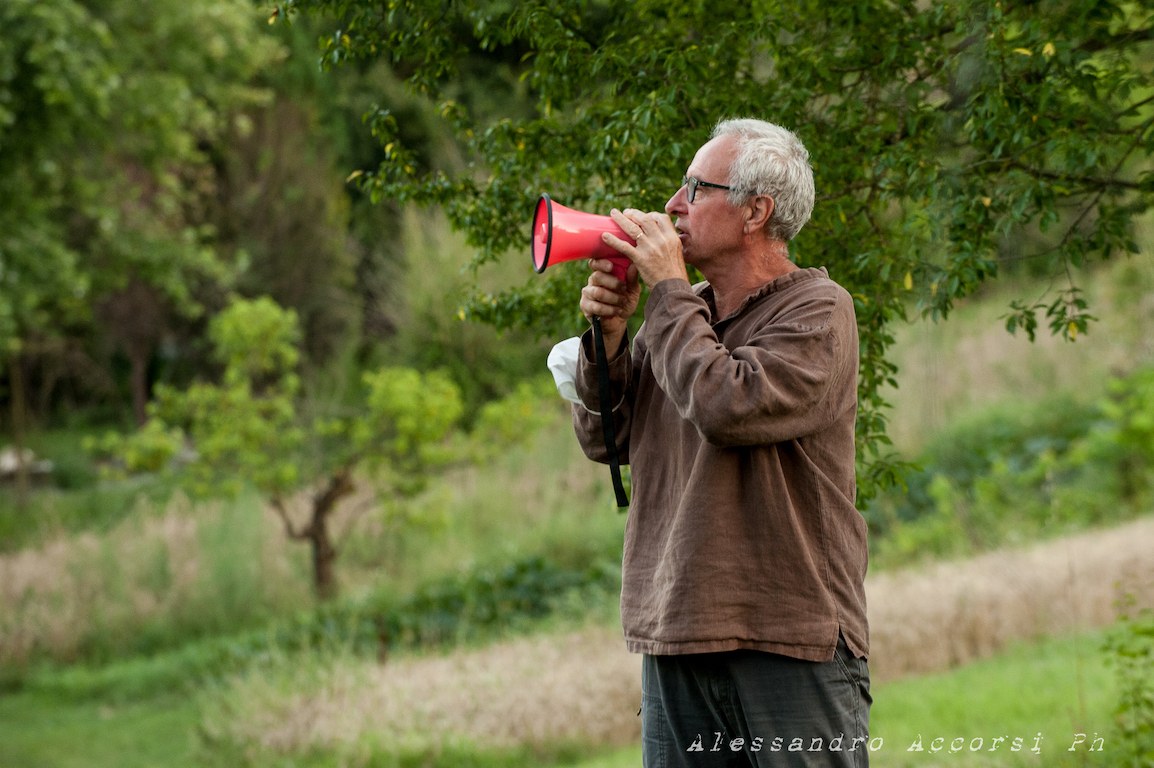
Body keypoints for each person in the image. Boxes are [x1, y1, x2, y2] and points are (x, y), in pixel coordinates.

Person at [569, 118, 871, 767]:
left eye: (694, 188)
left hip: (789, 640)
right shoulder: (679, 318)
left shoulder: (818, 310)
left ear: (755, 211)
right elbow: (604, 439)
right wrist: (612, 339)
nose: (673, 205)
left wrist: (668, 292)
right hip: (677, 633)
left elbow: (726, 405)